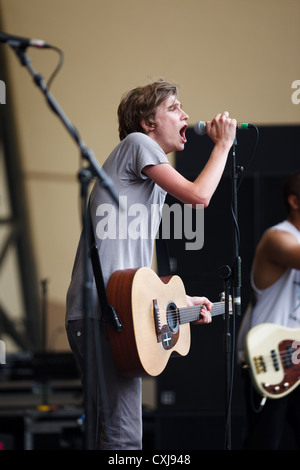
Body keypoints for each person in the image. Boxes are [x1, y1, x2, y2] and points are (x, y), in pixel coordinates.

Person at [66, 79, 237, 450]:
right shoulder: (136, 144)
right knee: (123, 440)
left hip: (117, 310)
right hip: (105, 314)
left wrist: (179, 299)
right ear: (147, 122)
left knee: (111, 437)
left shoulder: (148, 179)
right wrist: (223, 144)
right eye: (175, 108)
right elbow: (199, 196)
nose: (186, 115)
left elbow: (132, 268)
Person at [237, 172, 300, 450]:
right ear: (294, 201)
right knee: (264, 443)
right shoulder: (277, 237)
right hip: (271, 357)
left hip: (296, 355)